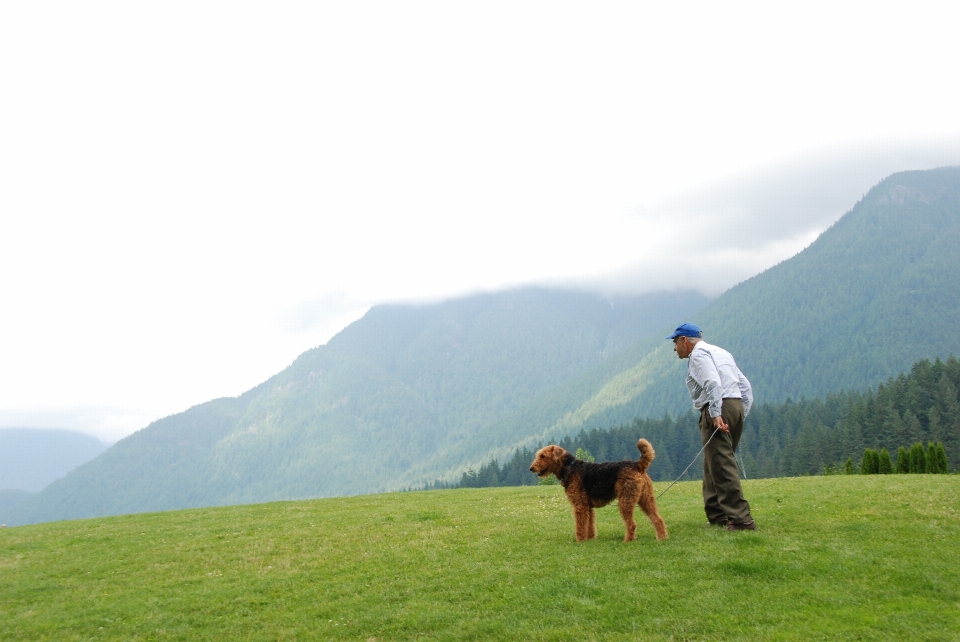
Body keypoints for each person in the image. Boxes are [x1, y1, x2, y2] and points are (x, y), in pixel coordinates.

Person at [667, 323, 756, 531]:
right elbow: (745, 387)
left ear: (684, 340)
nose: (674, 348)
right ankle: (716, 514)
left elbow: (713, 383)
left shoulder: (698, 355)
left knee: (722, 465)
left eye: (675, 342)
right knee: (713, 461)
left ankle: (741, 519)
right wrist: (740, 413)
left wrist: (716, 414)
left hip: (718, 408)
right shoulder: (721, 352)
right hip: (735, 406)